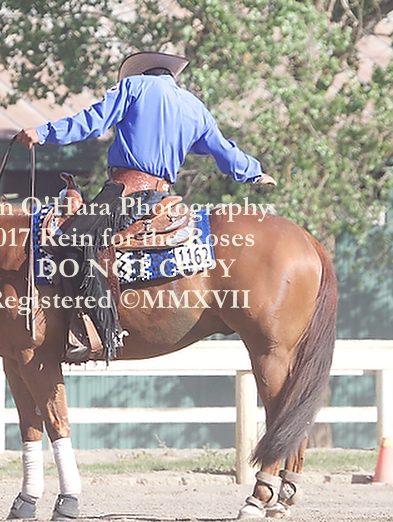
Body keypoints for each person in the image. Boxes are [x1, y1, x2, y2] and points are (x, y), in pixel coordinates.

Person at [17, 51, 276, 362]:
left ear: (141, 72)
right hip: (160, 196)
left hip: (124, 191)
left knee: (74, 239)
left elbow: (93, 122)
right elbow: (222, 150)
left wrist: (43, 133)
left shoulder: (133, 87)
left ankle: (97, 329)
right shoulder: (195, 107)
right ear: (171, 75)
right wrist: (254, 172)